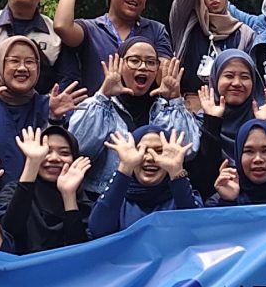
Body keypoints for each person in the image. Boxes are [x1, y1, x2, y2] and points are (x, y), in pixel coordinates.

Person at [65, 41, 198, 191]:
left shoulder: (166, 108)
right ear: (120, 65)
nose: (143, 67)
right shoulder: (96, 104)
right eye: (134, 61)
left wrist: (175, 101)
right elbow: (79, 147)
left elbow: (188, 151)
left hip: (158, 198)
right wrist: (103, 95)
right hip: (104, 195)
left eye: (150, 62)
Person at [0, 33, 87, 186]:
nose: (22, 68)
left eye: (30, 62)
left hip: (36, 204)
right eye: (14, 61)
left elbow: (59, 161)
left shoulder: (50, 106)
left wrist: (55, 119)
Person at [58, 0, 172, 93]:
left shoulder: (156, 30)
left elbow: (165, 76)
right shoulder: (90, 29)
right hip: (96, 112)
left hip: (142, 114)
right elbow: (62, 27)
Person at [86, 128, 199, 236]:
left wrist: (176, 171)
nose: (150, 158)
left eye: (160, 151)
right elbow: (98, 230)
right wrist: (125, 167)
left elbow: (198, 228)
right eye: (141, 150)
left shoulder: (183, 197)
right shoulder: (117, 200)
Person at [0, 126, 95, 251]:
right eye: (46, 151)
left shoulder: (82, 200)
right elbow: (8, 234)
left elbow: (80, 253)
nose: (54, 158)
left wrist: (69, 196)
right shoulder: (12, 191)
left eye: (64, 153)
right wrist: (32, 163)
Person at [190, 48, 263, 189]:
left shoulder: (264, 117)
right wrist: (212, 122)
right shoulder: (198, 122)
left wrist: (263, 125)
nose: (236, 83)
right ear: (215, 78)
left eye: (245, 77)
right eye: (229, 76)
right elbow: (200, 179)